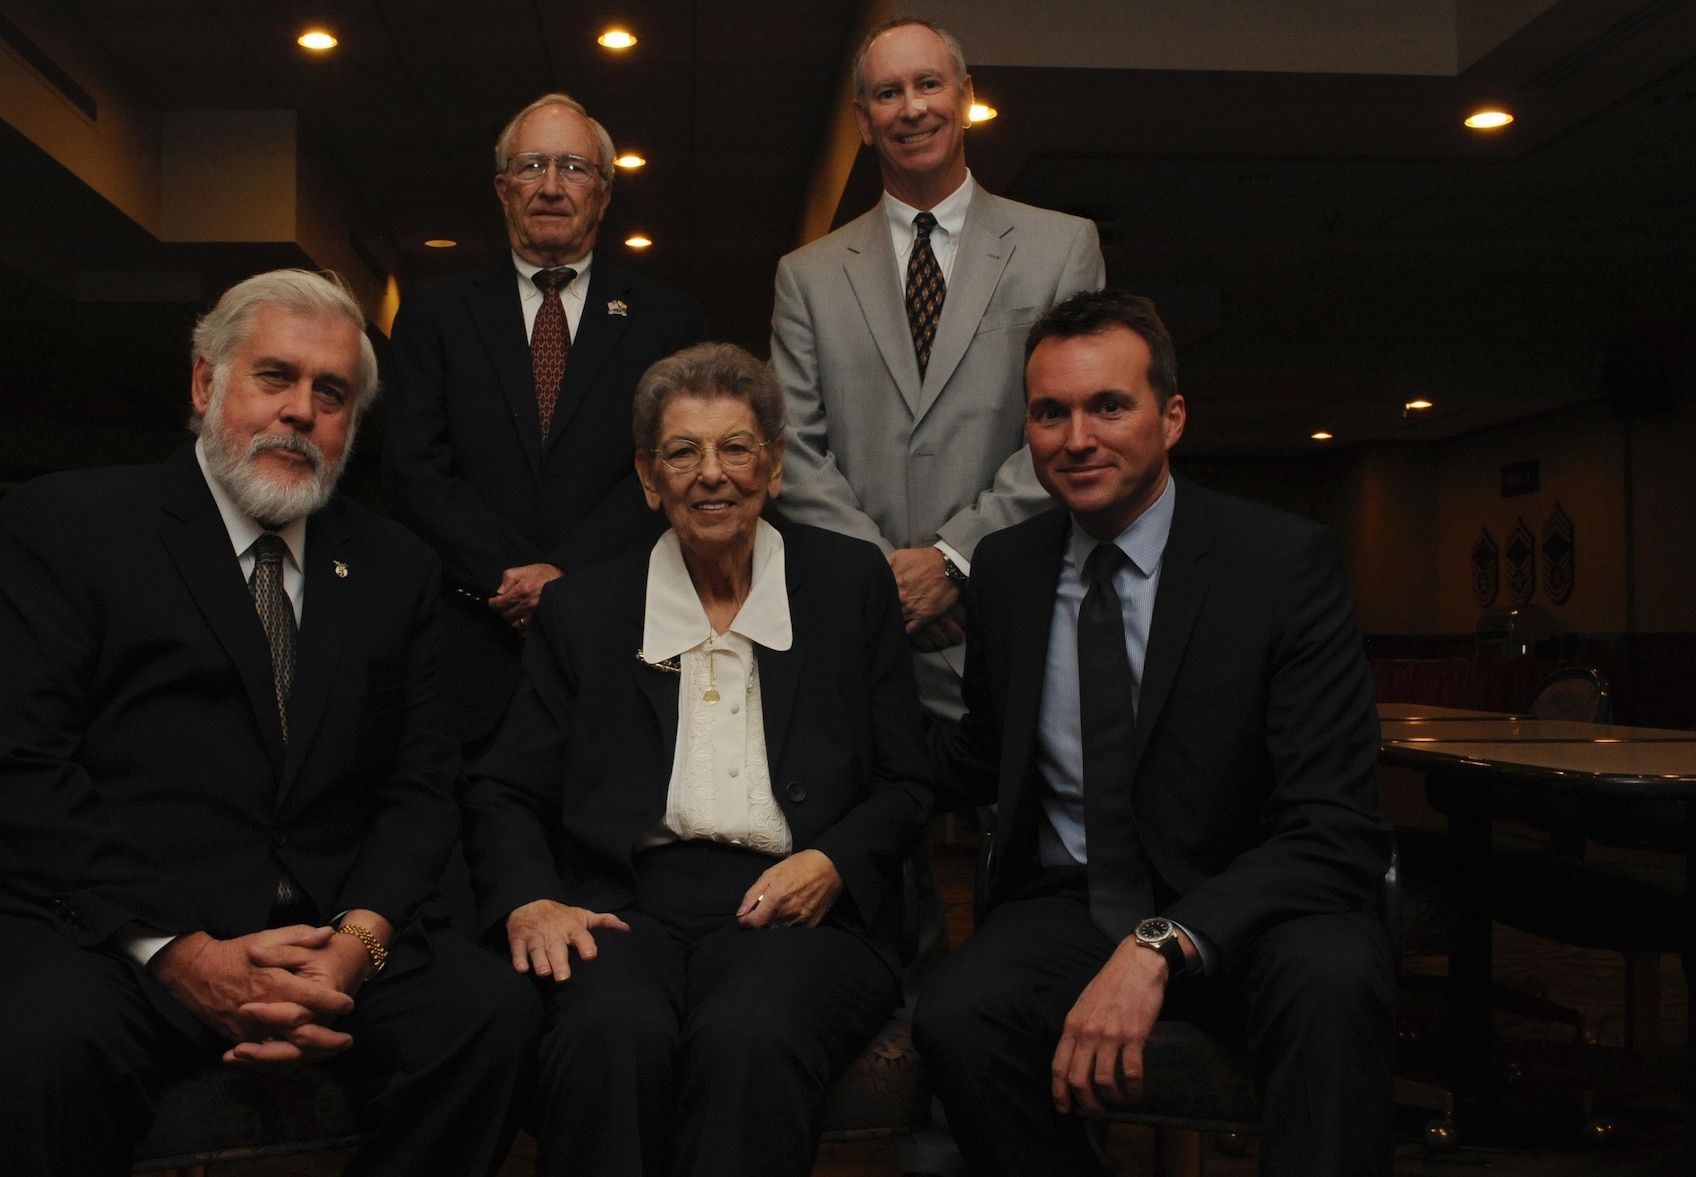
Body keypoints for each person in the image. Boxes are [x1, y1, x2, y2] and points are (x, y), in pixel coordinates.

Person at [0, 269, 540, 1177]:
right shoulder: (75, 524)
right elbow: (15, 765)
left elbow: (420, 786)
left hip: (324, 934)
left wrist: (356, 948)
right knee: (36, 1053)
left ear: (352, 425)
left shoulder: (397, 567)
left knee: (490, 1019)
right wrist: (184, 953)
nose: (300, 412)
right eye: (274, 377)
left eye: (331, 394)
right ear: (207, 385)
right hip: (105, 926)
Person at [913, 290, 1396, 1176]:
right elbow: (981, 754)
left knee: (1336, 982)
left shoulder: (1283, 564)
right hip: (1073, 898)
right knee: (957, 1013)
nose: (1076, 438)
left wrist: (1163, 941)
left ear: (1171, 417)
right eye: (1050, 412)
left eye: (1109, 405)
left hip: (1255, 902)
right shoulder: (1011, 571)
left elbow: (1335, 826)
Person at [461, 342, 933, 1177]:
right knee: (610, 1033)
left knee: (749, 1034)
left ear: (776, 466)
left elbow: (907, 779)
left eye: (736, 447)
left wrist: (833, 859)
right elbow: (503, 786)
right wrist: (531, 899)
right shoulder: (586, 608)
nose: (711, 474)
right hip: (627, 905)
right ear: (650, 479)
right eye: (683, 452)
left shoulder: (847, 583)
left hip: (803, 909)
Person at [770, 16, 1104, 720]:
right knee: (867, 824)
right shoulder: (806, 276)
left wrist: (954, 563)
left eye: (929, 84)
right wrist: (887, 584)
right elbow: (794, 450)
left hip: (1012, 618)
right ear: (863, 120)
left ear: (966, 95)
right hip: (863, 636)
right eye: (889, 93)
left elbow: (1077, 426)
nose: (913, 106)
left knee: (1022, 826)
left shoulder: (1063, 248)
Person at [386, 92, 707, 751]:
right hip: (466, 645)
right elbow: (414, 472)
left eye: (574, 167)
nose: (552, 186)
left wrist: (567, 580)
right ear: (503, 187)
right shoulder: (433, 316)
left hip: (616, 639)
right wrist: (514, 577)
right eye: (532, 166)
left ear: (605, 192)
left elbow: (674, 468)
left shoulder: (669, 322)